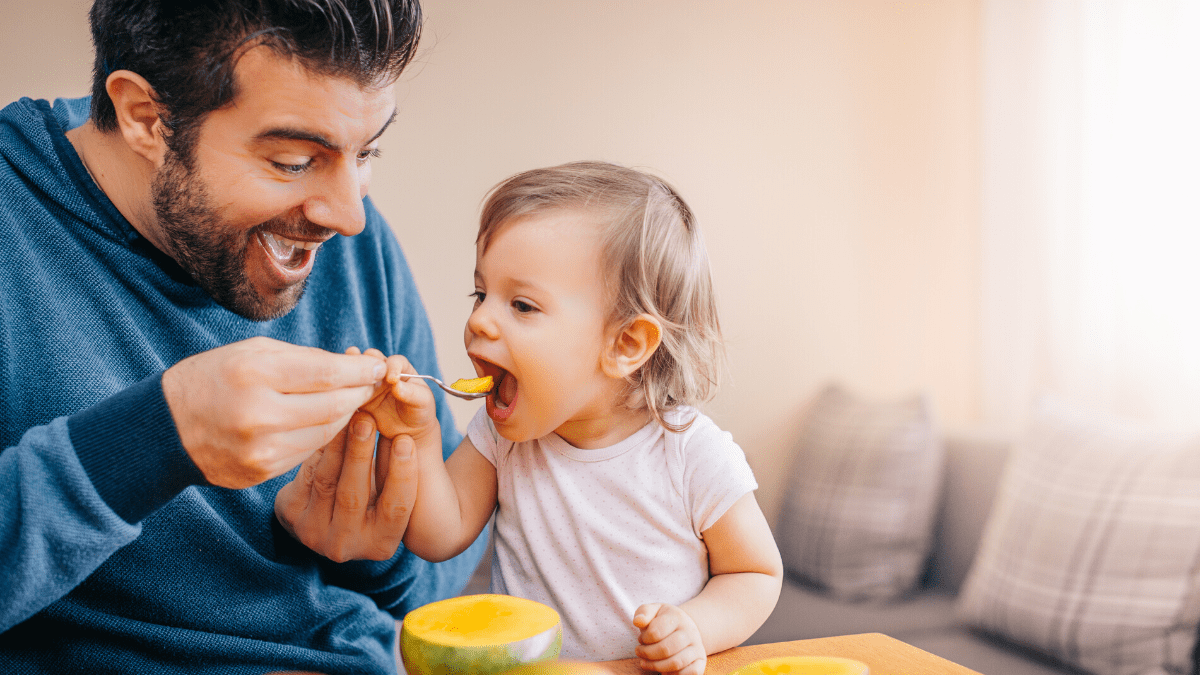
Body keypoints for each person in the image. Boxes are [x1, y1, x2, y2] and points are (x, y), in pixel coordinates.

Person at [0, 1, 484, 673]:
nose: (350, 216)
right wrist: (159, 437)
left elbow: (448, 574)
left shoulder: (345, 237)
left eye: (367, 151)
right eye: (293, 161)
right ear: (146, 117)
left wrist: (377, 545)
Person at [361, 161, 784, 673]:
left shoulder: (691, 452)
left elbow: (756, 573)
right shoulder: (502, 436)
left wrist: (695, 626)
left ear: (625, 344)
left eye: (522, 305)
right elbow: (436, 534)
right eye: (481, 294)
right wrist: (417, 434)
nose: (479, 320)